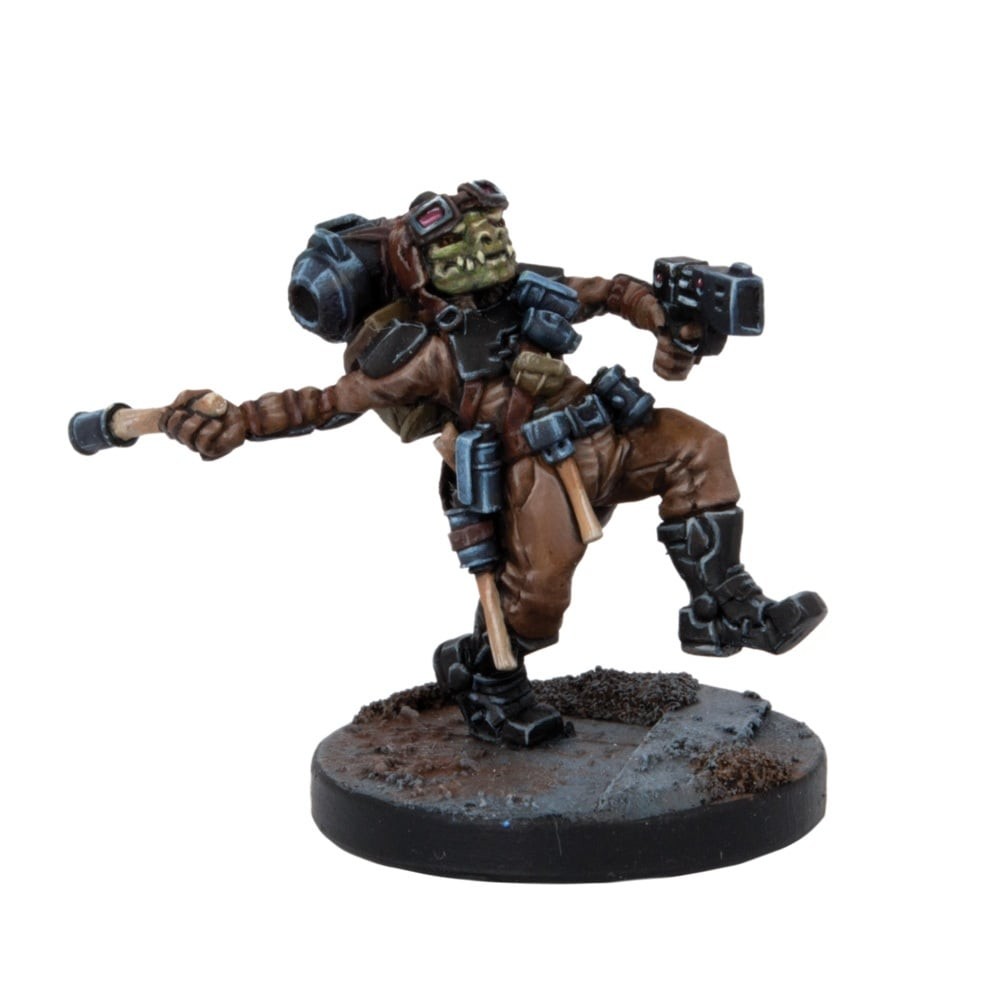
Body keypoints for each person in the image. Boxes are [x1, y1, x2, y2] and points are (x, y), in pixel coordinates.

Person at [160, 180, 826, 746]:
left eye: (491, 234)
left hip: (607, 436)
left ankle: (723, 606)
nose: (488, 248)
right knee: (538, 599)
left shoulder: (531, 289)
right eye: (463, 244)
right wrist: (239, 422)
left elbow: (613, 291)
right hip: (531, 472)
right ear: (422, 265)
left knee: (697, 449)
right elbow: (327, 403)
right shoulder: (427, 350)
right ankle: (488, 678)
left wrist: (660, 316)